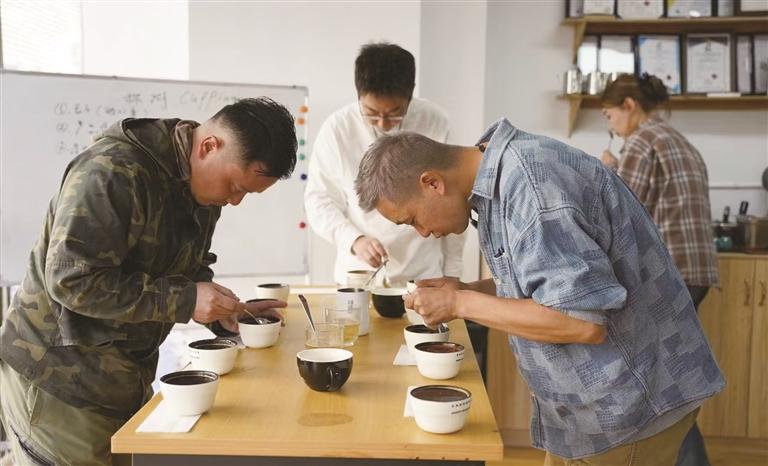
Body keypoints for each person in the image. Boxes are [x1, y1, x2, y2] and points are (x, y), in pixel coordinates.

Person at [354, 122, 725, 466]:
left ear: (432, 183)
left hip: (630, 406)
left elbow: (580, 320)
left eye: (412, 219)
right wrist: (466, 289)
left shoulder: (532, 189)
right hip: (590, 414)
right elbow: (546, 285)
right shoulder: (499, 180)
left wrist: (460, 302)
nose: (421, 232)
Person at [0, 97, 297, 466]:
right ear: (208, 146)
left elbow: (189, 266)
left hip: (120, 378)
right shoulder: (111, 173)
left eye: (246, 194)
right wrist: (186, 300)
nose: (235, 201)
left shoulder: (203, 190)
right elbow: (71, 280)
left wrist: (223, 310)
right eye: (235, 186)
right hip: (58, 380)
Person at [599, 73, 718, 466]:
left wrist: (608, 171)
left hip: (668, 274)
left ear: (629, 105)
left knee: (661, 384)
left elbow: (621, 211)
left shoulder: (643, 141)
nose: (612, 125)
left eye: (610, 116)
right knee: (670, 378)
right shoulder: (679, 140)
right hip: (696, 270)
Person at [304, 42, 465, 286]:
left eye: (394, 113)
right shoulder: (338, 129)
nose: (382, 123)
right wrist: (353, 240)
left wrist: (452, 272)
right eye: (371, 112)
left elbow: (454, 198)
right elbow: (318, 200)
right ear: (358, 95)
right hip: (358, 275)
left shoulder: (435, 122)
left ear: (410, 95)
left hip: (423, 274)